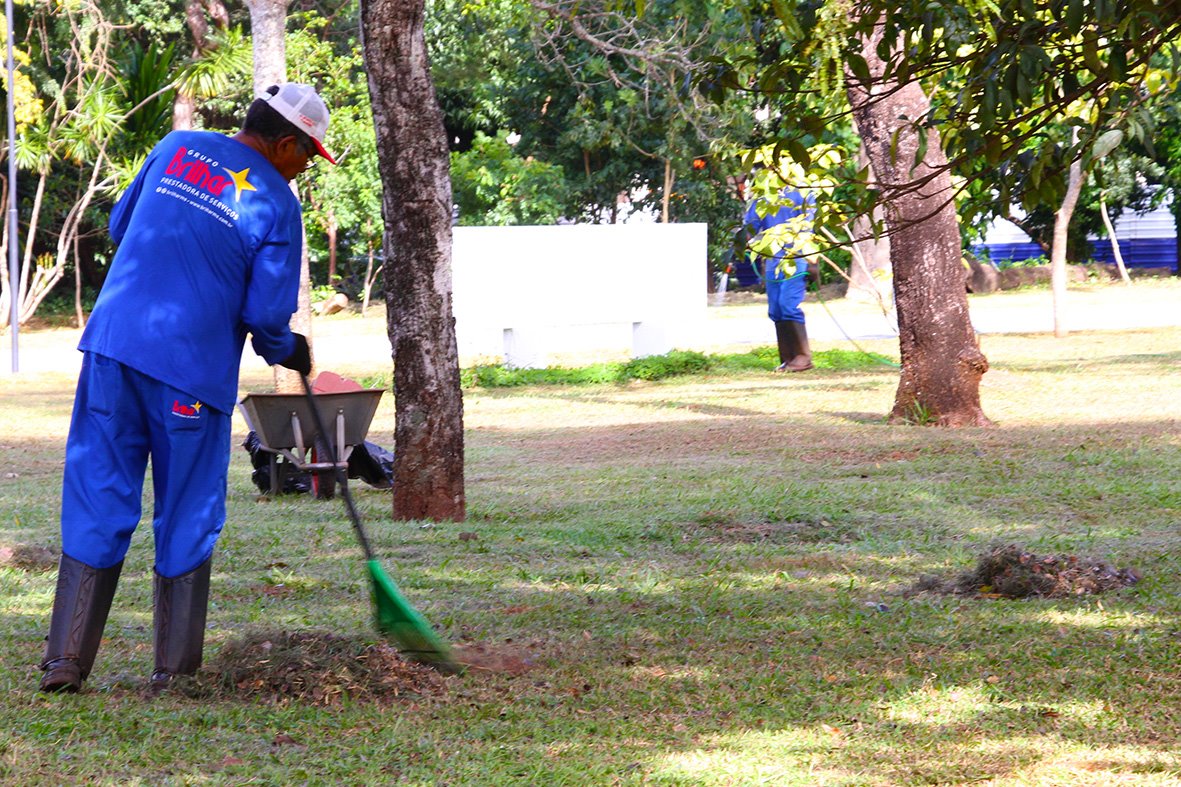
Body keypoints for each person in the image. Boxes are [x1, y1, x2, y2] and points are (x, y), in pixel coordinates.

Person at [38, 83, 336, 694]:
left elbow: (123, 226)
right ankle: (173, 674)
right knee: (188, 509)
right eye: (307, 155)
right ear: (285, 144)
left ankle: (65, 663)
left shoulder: (176, 144)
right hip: (190, 374)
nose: (305, 168)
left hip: (113, 349)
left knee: (99, 492)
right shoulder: (277, 202)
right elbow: (264, 319)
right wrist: (290, 350)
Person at [744, 188, 816, 372]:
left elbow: (808, 227)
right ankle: (788, 358)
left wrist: (812, 261)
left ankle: (802, 357)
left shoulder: (803, 190)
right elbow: (751, 226)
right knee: (775, 309)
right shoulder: (762, 193)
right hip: (772, 260)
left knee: (788, 305)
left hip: (796, 258)